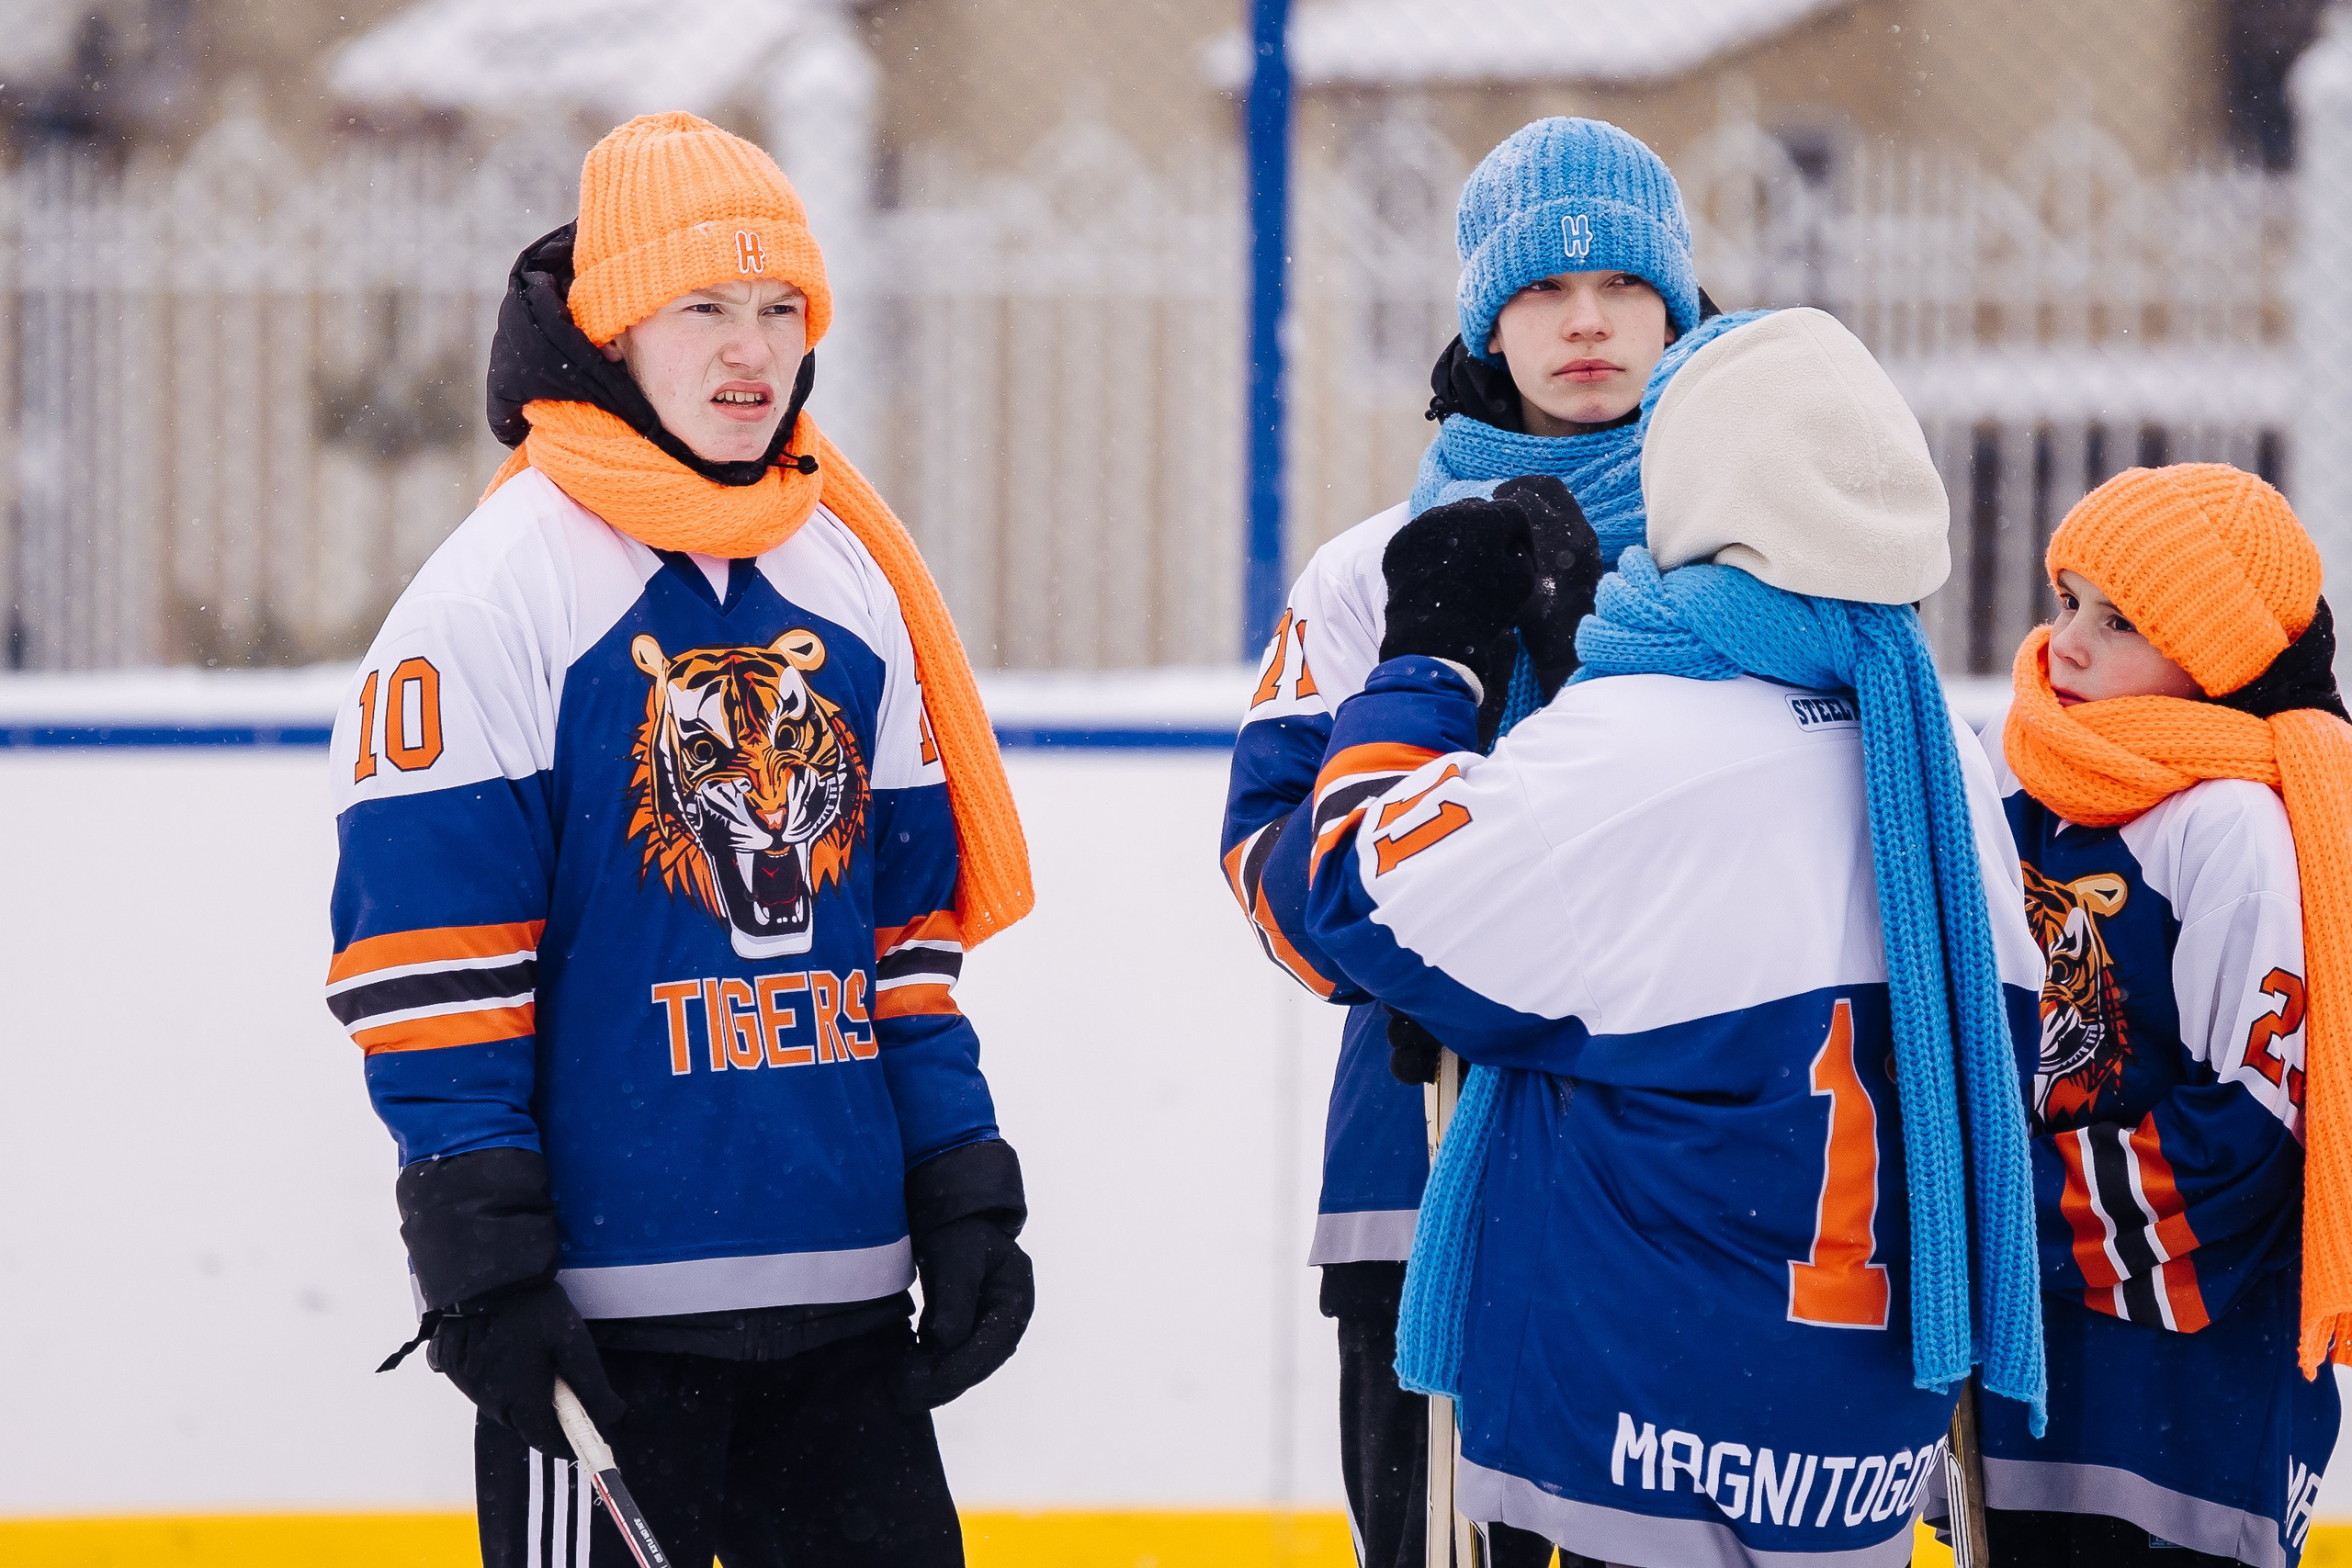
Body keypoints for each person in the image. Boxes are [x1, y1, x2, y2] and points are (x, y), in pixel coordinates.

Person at [331, 112, 1035, 1568]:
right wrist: (479, 1246)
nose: (751, 350)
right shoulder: (495, 593)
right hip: (604, 1327)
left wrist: (960, 1179)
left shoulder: (850, 576)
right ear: (613, 329)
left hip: (847, 1310)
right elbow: (432, 967)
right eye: (702, 307)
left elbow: (905, 941)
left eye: (780, 308)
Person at [1299, 307, 2051, 1564]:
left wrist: (1432, 658)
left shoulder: (1644, 736)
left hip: (1652, 1407)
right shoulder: (1936, 758)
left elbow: (1357, 894)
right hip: (1854, 1426)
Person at [1220, 116, 1730, 1568]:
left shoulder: (1746, 554)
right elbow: (1274, 878)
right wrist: (1434, 670)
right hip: (1417, 1162)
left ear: (1680, 309)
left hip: (1684, 1177)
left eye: (1624, 285)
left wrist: (1589, 678)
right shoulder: (1367, 567)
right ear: (1484, 320)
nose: (1587, 321)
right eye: (1543, 288)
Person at [1974, 464, 2349, 1566]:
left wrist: (1995, 1216)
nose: (2065, 645)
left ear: (2215, 654)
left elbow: (2250, 1131)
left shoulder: (2231, 820)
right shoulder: (2017, 769)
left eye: (2120, 621)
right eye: (2066, 600)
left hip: (2186, 1384)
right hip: (2033, 1360)